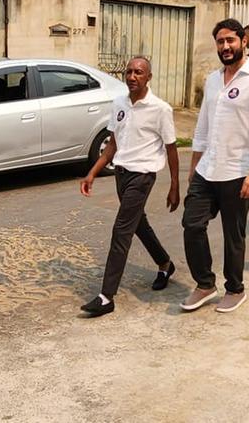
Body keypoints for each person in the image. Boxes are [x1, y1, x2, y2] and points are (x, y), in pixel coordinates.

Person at [178, 19, 249, 314]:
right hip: (207, 168)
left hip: (240, 171)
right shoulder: (213, 80)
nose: (225, 47)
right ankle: (205, 283)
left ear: (244, 42)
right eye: (220, 42)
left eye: (230, 41)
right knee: (192, 224)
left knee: (232, 235)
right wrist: (193, 167)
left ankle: (235, 289)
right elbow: (202, 127)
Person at [79, 57, 180, 317]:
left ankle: (106, 296)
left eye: (139, 72)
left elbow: (171, 149)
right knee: (138, 224)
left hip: (143, 175)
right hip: (121, 174)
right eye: (129, 71)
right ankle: (164, 263)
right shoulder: (119, 104)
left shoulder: (160, 109)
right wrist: (92, 172)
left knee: (122, 229)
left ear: (149, 77)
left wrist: (175, 186)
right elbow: (113, 144)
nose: (132, 76)